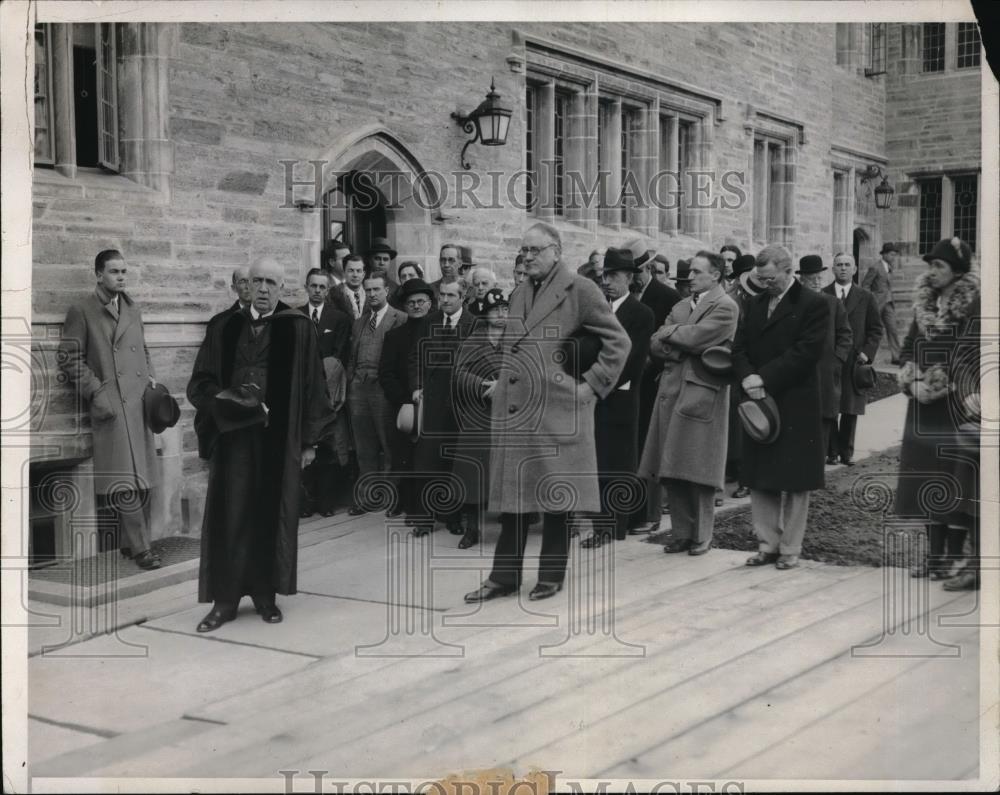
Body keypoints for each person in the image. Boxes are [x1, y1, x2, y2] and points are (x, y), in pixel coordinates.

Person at [464, 222, 630, 603]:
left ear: (556, 250)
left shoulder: (582, 290)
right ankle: (503, 578)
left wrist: (590, 386)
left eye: (534, 250)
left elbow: (619, 341)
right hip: (517, 413)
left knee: (558, 499)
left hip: (557, 410)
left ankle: (551, 575)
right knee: (514, 499)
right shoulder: (521, 291)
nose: (527, 257)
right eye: (524, 251)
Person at [187, 257, 332, 632]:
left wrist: (310, 441)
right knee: (230, 516)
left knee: (271, 514)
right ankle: (225, 601)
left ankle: (266, 596)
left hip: (278, 440)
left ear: (283, 288)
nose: (264, 288)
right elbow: (199, 383)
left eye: (271, 282)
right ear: (245, 286)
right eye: (257, 281)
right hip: (233, 439)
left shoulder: (298, 327)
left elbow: (315, 385)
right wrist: (227, 402)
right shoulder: (224, 326)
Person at [58, 249, 163, 570]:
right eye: (114, 271)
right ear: (98, 275)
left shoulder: (132, 308)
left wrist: (152, 379)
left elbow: (142, 348)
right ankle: (143, 547)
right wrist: (97, 392)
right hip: (111, 405)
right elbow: (69, 357)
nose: (121, 277)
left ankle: (132, 544)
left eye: (124, 272)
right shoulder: (83, 310)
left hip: (137, 402)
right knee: (124, 480)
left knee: (142, 477)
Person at [732, 244, 829, 570]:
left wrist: (764, 378)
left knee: (796, 480)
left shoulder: (814, 304)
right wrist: (746, 376)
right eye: (760, 279)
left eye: (771, 279)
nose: (764, 284)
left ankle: (790, 548)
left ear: (789, 272)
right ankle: (767, 544)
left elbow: (807, 352)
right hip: (759, 401)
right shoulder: (755, 303)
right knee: (761, 477)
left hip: (795, 402)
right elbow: (739, 346)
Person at [638, 251, 739, 556]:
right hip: (671, 391)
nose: (690, 277)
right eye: (691, 272)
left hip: (702, 393)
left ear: (716, 275)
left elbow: (699, 337)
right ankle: (681, 533)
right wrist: (679, 342)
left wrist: (673, 337)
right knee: (672, 466)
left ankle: (702, 535)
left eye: (697, 272)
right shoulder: (681, 305)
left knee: (699, 468)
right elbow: (655, 343)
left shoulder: (725, 306)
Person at [896, 238, 980, 590]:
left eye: (939, 266)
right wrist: (912, 381)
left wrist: (939, 383)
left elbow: (971, 353)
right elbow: (908, 348)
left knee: (951, 478)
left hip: (953, 405)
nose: (932, 271)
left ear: (958, 272)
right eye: (930, 264)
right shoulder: (924, 303)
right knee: (926, 476)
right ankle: (933, 556)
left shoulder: (972, 305)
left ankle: (952, 556)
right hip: (922, 404)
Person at [580, 247, 655, 548]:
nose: (607, 282)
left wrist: (597, 384)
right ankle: (601, 526)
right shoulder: (598, 310)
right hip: (596, 396)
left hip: (620, 398)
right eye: (604, 276)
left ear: (629, 277)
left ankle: (614, 527)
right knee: (599, 461)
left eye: (614, 276)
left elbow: (633, 361)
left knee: (619, 463)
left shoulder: (640, 314)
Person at [410, 279, 476, 535]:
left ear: (463, 297)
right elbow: (415, 356)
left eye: (451, 295)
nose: (445, 300)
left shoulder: (474, 324)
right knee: (427, 461)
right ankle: (424, 519)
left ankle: (452, 517)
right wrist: (416, 385)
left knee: (454, 462)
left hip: (460, 402)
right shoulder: (429, 321)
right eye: (442, 295)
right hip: (433, 400)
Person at [625, 242, 681, 533]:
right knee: (631, 445)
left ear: (648, 268)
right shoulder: (624, 296)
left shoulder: (667, 297)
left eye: (634, 271)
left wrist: (651, 364)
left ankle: (651, 514)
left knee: (651, 444)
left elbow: (670, 340)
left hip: (653, 382)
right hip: (627, 381)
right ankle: (631, 511)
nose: (630, 277)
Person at [345, 268, 407, 515]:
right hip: (359, 389)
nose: (371, 294)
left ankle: (392, 498)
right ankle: (366, 497)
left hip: (383, 390)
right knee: (364, 447)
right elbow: (351, 356)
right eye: (367, 290)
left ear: (386, 291)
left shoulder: (398, 318)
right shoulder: (359, 321)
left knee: (389, 444)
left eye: (375, 289)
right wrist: (352, 381)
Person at [452, 288, 508, 549]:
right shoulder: (473, 341)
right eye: (495, 310)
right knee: (473, 472)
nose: (500, 314)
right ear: (485, 314)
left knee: (508, 471)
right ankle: (472, 529)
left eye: (505, 309)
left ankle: (511, 528)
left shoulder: (516, 340)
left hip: (509, 414)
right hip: (479, 413)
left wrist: (503, 385)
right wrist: (483, 384)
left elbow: (529, 371)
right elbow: (459, 373)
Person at [379, 278, 435, 522]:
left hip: (434, 404)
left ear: (430, 303)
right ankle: (403, 502)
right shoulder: (395, 336)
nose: (416, 306)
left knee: (430, 456)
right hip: (405, 406)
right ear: (404, 306)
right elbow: (386, 373)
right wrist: (404, 399)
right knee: (403, 456)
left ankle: (432, 507)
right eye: (411, 302)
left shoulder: (438, 330)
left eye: (421, 301)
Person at [298, 268, 353, 517]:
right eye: (314, 286)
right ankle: (307, 501)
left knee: (329, 446)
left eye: (322, 287)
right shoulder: (296, 317)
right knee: (307, 445)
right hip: (303, 392)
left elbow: (340, 354)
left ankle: (326, 502)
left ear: (328, 290)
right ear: (306, 287)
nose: (318, 291)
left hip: (330, 390)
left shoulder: (339, 318)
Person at [823, 253, 883, 466]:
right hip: (830, 360)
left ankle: (846, 452)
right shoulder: (824, 295)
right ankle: (831, 451)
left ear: (855, 269)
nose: (843, 269)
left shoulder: (866, 297)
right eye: (839, 265)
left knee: (849, 407)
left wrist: (867, 352)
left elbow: (876, 329)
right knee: (830, 406)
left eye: (847, 265)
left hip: (854, 361)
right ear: (833, 269)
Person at [796, 256, 853, 461]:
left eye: (819, 276)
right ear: (802, 279)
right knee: (800, 413)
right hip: (799, 368)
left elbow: (845, 334)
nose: (817, 281)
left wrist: (837, 359)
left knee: (825, 414)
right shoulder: (794, 302)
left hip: (826, 370)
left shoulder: (833, 303)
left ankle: (819, 460)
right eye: (812, 277)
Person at [724, 253, 760, 499]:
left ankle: (748, 477)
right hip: (737, 368)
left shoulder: (760, 299)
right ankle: (738, 470)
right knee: (738, 423)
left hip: (756, 370)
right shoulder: (734, 301)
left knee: (752, 424)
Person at [862, 242, 901, 364]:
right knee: (873, 330)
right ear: (884, 254)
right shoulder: (875, 267)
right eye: (891, 254)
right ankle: (867, 356)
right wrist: (871, 300)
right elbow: (865, 285)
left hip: (889, 304)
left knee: (893, 329)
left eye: (895, 255)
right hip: (877, 304)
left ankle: (896, 357)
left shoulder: (890, 267)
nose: (893, 257)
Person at [335, 255, 368, 320]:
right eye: (351, 271)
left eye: (358, 271)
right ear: (344, 273)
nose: (355, 275)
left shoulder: (371, 292)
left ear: (363, 274)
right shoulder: (333, 294)